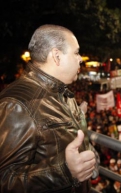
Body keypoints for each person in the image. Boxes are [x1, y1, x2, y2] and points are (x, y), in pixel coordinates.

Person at [0, 24, 99, 193]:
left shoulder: (62, 93)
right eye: (76, 52)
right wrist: (65, 170)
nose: (81, 58)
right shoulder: (17, 104)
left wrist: (88, 156)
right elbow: (5, 181)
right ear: (56, 56)